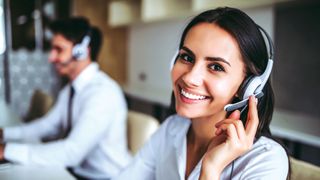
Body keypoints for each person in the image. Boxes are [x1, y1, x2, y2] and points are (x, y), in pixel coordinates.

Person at [115, 7, 289, 180]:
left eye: (216, 67)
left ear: (248, 86)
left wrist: (211, 168)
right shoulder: (172, 128)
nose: (190, 78)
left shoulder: (265, 162)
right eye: (187, 57)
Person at [0, 17, 132, 179]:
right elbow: (47, 125)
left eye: (59, 49)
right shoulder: (71, 89)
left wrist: (6, 150)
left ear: (82, 51)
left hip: (105, 177)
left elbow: (71, 152)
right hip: (77, 173)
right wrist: (4, 134)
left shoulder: (102, 93)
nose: (51, 57)